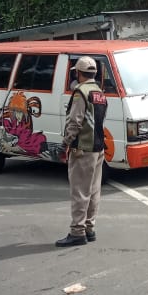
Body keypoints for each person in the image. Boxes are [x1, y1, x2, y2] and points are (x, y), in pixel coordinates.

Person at [56, 56, 108, 247]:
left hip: (82, 149)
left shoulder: (80, 92)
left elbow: (75, 122)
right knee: (93, 191)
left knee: (79, 191)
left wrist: (66, 143)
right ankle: (89, 228)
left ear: (78, 73)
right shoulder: (99, 92)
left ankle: (77, 232)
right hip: (98, 148)